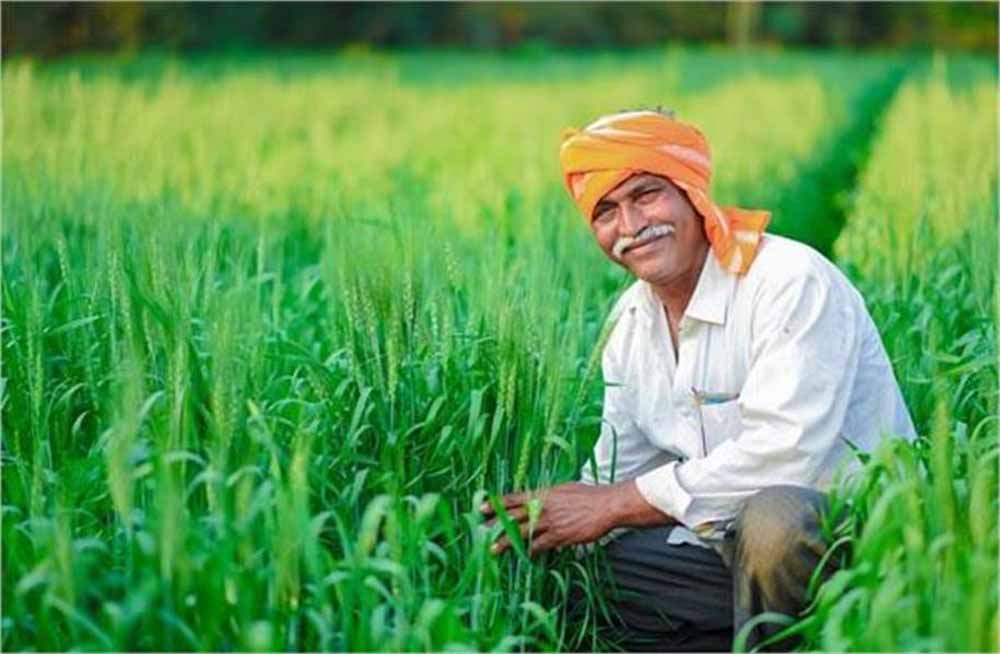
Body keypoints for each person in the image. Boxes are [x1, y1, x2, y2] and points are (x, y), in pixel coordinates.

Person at [480, 109, 917, 651]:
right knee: (574, 575)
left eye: (646, 194)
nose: (630, 225)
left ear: (692, 194)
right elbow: (624, 466)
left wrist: (611, 505)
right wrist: (553, 521)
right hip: (722, 550)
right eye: (606, 211)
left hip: (847, 548)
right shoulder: (630, 323)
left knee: (775, 519)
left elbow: (784, 458)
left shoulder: (787, 282)